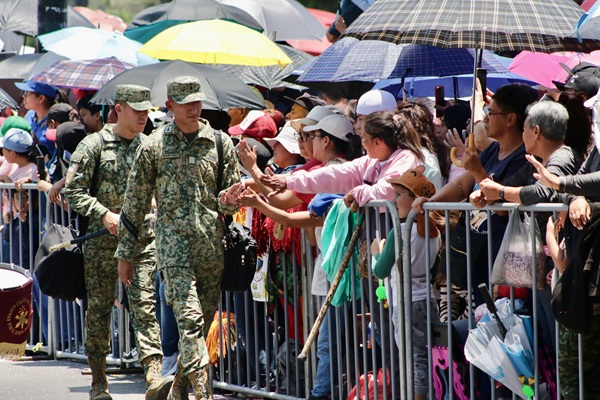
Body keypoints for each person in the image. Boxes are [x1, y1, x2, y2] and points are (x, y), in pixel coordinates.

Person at [114, 76, 241, 400]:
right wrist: (125, 255)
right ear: (170, 106)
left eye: (198, 102)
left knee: (199, 325)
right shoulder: (153, 146)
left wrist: (231, 198)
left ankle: (176, 391)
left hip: (210, 248)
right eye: (186, 104)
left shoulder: (219, 142)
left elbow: (227, 199)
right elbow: (135, 202)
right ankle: (202, 392)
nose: (194, 109)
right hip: (173, 250)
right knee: (189, 319)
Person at [65, 84, 171, 400]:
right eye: (136, 109)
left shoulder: (151, 146)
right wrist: (103, 213)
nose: (143, 116)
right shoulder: (93, 145)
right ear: (119, 109)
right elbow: (74, 191)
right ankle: (99, 382)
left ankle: (153, 377)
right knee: (98, 310)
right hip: (102, 242)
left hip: (141, 240)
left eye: (146, 110)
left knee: (144, 306)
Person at [371, 166, 441, 400]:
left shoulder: (399, 232)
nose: (394, 199)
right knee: (428, 356)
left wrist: (376, 253)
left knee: (414, 359)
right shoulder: (435, 232)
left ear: (414, 200)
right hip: (428, 299)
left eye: (400, 195)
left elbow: (381, 270)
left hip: (406, 302)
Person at [14, 80, 61, 159]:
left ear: (41, 98)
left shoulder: (56, 122)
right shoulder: (29, 114)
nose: (23, 96)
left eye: (27, 93)